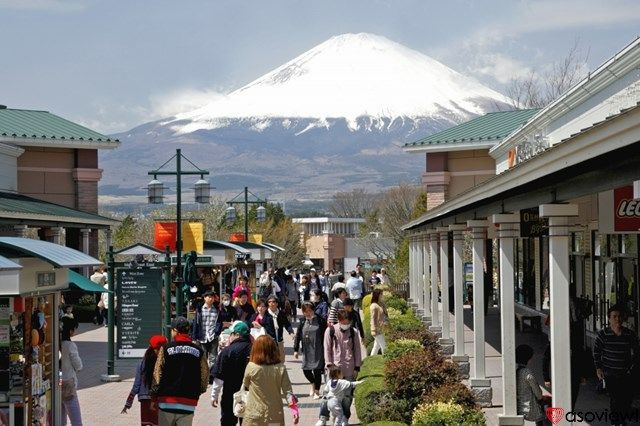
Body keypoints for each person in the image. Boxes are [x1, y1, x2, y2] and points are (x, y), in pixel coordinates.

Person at [151, 317, 208, 426]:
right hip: (189, 401)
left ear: (175, 331)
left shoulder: (166, 348)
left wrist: (154, 393)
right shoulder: (199, 351)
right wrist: (200, 390)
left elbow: (157, 372)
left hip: (167, 401)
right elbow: (205, 374)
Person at [593, 304, 640, 424]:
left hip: (626, 373)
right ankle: (616, 422)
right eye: (614, 316)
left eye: (619, 316)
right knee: (615, 399)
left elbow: (637, 351)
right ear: (609, 319)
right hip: (610, 374)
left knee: (626, 400)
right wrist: (598, 368)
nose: (617, 319)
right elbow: (596, 352)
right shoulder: (603, 335)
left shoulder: (629, 334)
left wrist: (633, 367)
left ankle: (621, 420)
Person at [318, 310, 362, 425]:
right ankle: (323, 417)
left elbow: (357, 350)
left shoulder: (353, 332)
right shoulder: (330, 330)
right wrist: (329, 365)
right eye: (344, 322)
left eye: (348, 322)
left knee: (347, 396)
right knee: (328, 395)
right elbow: (326, 349)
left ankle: (345, 417)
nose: (346, 324)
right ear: (339, 320)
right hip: (334, 369)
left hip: (349, 368)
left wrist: (357, 367)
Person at [242, 335, 299, 425]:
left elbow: (246, 384)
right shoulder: (280, 368)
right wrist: (294, 411)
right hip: (275, 414)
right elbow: (288, 392)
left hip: (254, 414)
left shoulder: (251, 367)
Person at [211, 321, 253, 426]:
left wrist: (214, 395)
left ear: (237, 335)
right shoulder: (255, 350)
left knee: (228, 422)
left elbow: (219, 377)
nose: (230, 336)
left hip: (230, 394)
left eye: (231, 334)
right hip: (251, 394)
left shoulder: (227, 351)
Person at [122, 335, 168, 426]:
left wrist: (128, 403)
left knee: (146, 423)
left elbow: (136, 385)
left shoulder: (142, 363)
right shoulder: (164, 364)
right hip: (158, 400)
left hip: (144, 400)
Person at [293, 302, 327, 399]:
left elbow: (326, 335)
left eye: (310, 310)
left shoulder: (320, 320)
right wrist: (296, 349)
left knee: (317, 371)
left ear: (314, 310)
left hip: (318, 349)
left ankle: (316, 391)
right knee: (306, 369)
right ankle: (312, 383)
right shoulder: (303, 321)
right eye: (305, 311)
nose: (308, 313)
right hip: (307, 350)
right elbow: (298, 335)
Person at [515, 344, 549, 426]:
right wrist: (541, 397)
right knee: (545, 414)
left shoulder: (514, 370)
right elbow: (538, 393)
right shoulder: (527, 373)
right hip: (528, 408)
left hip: (516, 406)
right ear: (529, 359)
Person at [60, 316, 83, 426]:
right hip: (68, 384)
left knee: (60, 419)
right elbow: (78, 365)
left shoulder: (56, 344)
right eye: (74, 329)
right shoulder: (70, 346)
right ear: (70, 331)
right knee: (76, 419)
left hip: (56, 383)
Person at [191, 290, 221, 368]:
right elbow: (195, 323)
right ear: (205, 298)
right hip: (202, 336)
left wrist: (217, 332)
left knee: (213, 357)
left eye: (212, 297)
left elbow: (220, 322)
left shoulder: (217, 309)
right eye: (209, 297)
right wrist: (194, 337)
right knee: (203, 357)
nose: (211, 299)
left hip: (213, 336)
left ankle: (211, 376)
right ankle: (204, 375)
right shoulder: (200, 309)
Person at [262, 295, 294, 362]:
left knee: (281, 359)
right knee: (270, 360)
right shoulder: (265, 314)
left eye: (273, 302)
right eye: (269, 302)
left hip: (279, 340)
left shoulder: (281, 313)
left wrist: (291, 332)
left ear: (277, 303)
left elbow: (287, 324)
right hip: (269, 341)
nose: (272, 304)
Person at [369, 288, 387, 355]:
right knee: (384, 346)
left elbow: (385, 313)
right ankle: (386, 360)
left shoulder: (380, 304)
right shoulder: (374, 306)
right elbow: (373, 319)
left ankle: (371, 360)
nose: (382, 295)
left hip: (381, 328)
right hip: (377, 330)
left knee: (376, 347)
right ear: (377, 295)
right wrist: (373, 330)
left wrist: (383, 304)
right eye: (381, 294)